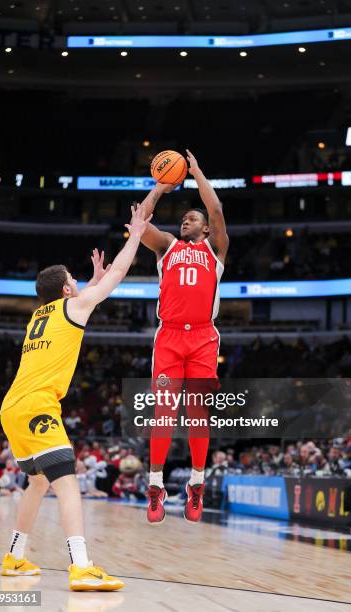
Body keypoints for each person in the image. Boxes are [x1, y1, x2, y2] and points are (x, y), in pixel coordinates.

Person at [0, 203, 151, 591]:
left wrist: (90, 287)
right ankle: (81, 566)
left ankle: (15, 557)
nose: (79, 284)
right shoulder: (76, 305)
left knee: (37, 483)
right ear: (68, 289)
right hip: (36, 405)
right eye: (74, 280)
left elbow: (75, 311)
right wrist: (135, 234)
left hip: (12, 407)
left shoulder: (38, 317)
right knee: (67, 483)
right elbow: (118, 272)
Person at [139, 149, 229, 524]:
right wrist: (160, 188)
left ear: (206, 229)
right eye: (184, 218)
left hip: (204, 339)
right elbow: (139, 223)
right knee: (163, 413)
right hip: (170, 338)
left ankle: (196, 484)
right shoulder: (167, 248)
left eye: (192, 218)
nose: (185, 220)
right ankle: (156, 487)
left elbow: (218, 209)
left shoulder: (215, 249)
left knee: (196, 414)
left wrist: (196, 172)